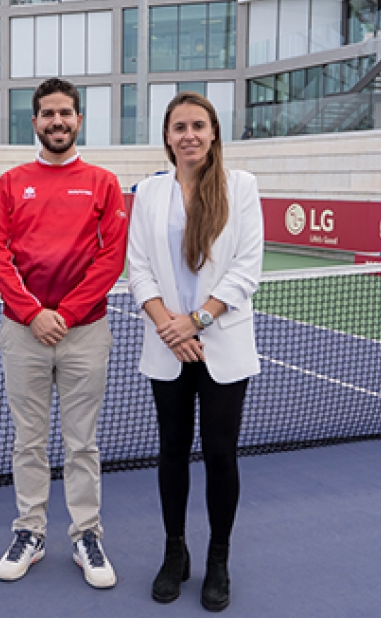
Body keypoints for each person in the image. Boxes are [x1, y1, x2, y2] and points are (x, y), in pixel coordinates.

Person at [0, 78, 128, 589]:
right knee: (28, 441)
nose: (57, 121)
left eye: (65, 113)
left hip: (84, 332)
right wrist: (32, 313)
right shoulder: (10, 183)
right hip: (23, 332)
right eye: (48, 114)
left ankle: (86, 534)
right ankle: (30, 531)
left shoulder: (103, 183)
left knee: (81, 443)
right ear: (35, 122)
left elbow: (111, 257)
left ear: (79, 120)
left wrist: (64, 313)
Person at [127, 91, 263, 611]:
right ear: (167, 136)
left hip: (222, 344)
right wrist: (171, 328)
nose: (189, 135)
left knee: (222, 454)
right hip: (169, 347)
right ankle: (174, 552)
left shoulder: (241, 187)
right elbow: (137, 268)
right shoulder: (149, 193)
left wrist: (198, 320)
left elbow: (247, 268)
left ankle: (219, 558)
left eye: (198, 126)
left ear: (213, 133)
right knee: (172, 452)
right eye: (179, 126)